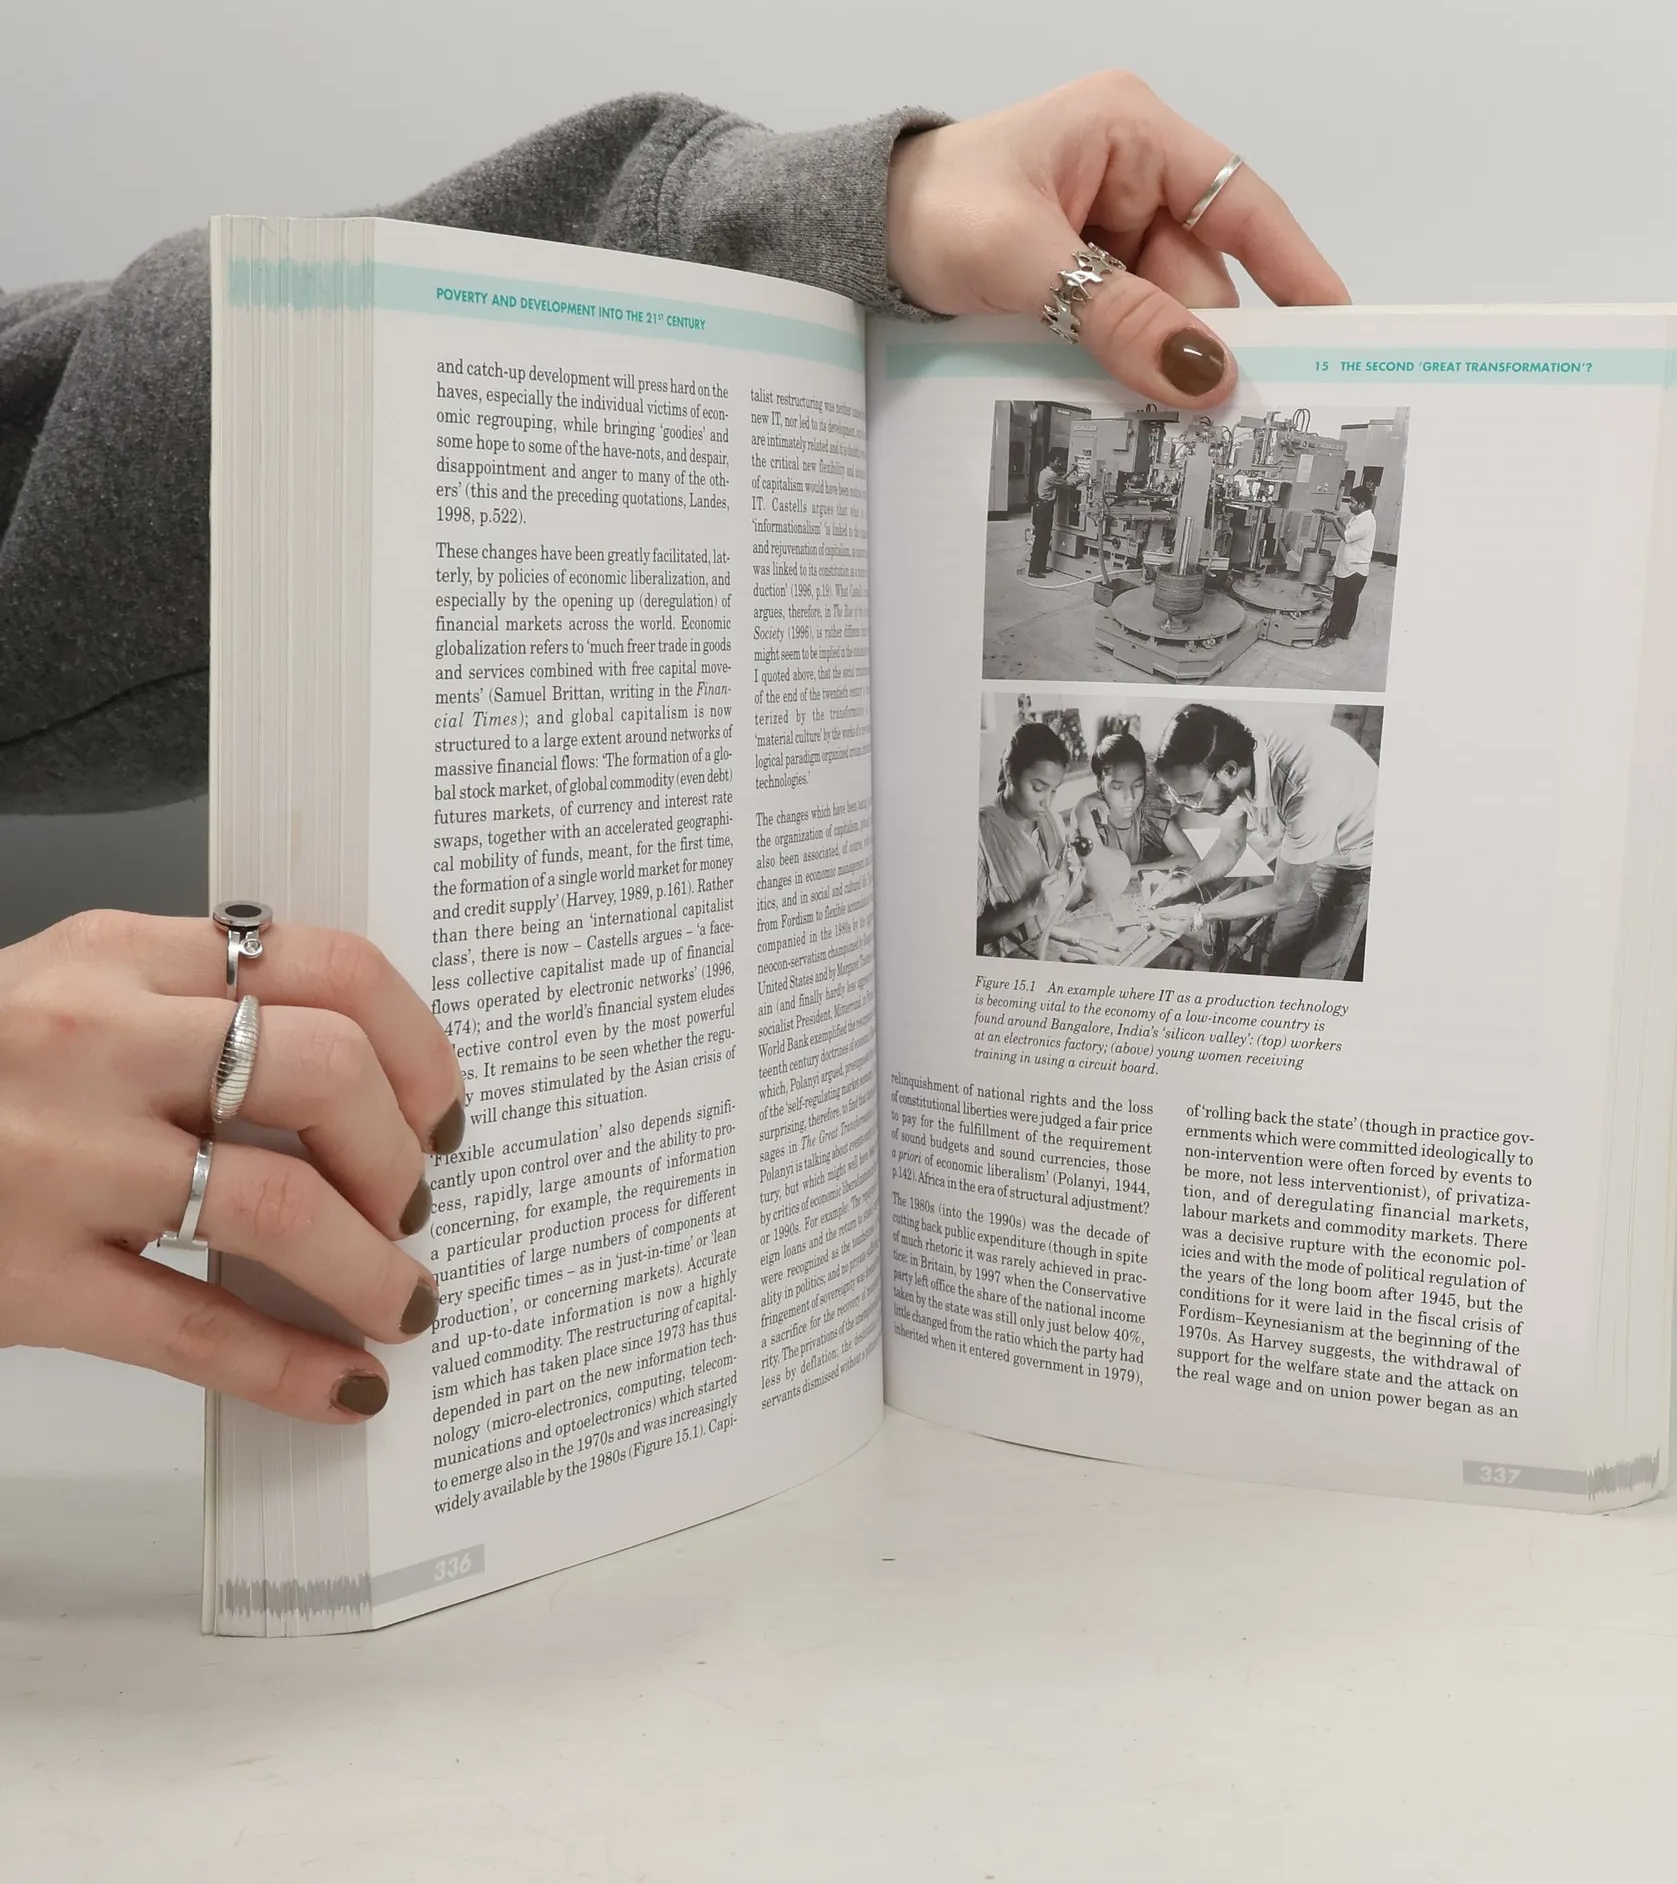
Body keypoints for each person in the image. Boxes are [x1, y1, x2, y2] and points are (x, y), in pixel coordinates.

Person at [0, 73, 1346, 1423]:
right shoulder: (1053, 833)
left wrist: (820, 212)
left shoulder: (1233, 811)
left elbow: (52, 453)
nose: (1122, 804)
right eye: (1095, 786)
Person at [1153, 704, 1376, 981]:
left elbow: (1284, 894)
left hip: (1357, 859)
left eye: (1193, 797)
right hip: (1314, 842)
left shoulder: (1305, 788)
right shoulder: (1230, 758)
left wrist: (1198, 914)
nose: (1190, 807)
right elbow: (1231, 843)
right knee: (1282, 953)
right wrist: (1185, 881)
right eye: (1179, 798)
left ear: (1229, 770)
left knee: (1317, 970)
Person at [978, 721, 1081, 955]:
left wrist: (1075, 875)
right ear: (1009, 772)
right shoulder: (980, 834)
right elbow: (970, 931)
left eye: (1054, 790)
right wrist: (1028, 906)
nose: (1047, 801)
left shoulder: (1053, 821)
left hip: (1056, 947)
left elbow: (1068, 903)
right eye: (1038, 788)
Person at [1070, 729, 1194, 872]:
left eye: (1138, 785)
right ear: (1100, 784)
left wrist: (1131, 871)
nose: (1130, 797)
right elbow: (1096, 873)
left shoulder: (1150, 810)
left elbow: (1191, 860)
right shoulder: (1089, 815)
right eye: (1117, 787)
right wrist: (1083, 807)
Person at [1317, 482, 1377, 645]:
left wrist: (1333, 520)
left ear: (1362, 504)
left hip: (1353, 571)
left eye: (1352, 502)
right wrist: (1336, 519)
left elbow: (1346, 536)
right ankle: (1344, 631)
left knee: (1341, 604)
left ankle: (1330, 636)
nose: (1349, 505)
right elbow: (1348, 531)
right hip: (1350, 567)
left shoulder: (1366, 521)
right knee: (1350, 602)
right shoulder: (1359, 517)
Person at [1027, 449, 1081, 578]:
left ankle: (1041, 567)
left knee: (1045, 538)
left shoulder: (1045, 472)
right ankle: (1033, 570)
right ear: (1051, 462)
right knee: (1041, 539)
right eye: (1057, 461)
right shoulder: (1050, 475)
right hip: (1044, 509)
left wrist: (1071, 471)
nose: (1060, 464)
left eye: (1060, 461)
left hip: (1044, 507)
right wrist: (1082, 479)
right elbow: (1067, 485)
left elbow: (1059, 480)